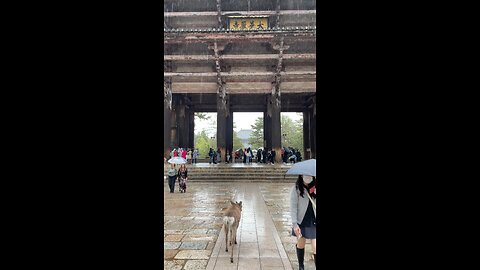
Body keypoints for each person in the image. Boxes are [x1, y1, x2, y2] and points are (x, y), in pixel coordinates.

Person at [290, 175, 317, 269]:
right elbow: (293, 207)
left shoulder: (315, 186)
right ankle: (301, 266)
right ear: (301, 175)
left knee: (315, 247)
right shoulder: (296, 188)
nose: (307, 177)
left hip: (314, 220)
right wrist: (294, 224)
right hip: (302, 220)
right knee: (301, 243)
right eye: (305, 175)